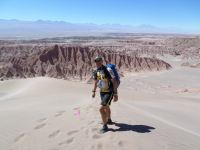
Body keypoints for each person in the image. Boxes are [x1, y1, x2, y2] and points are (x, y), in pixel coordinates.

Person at [92, 56, 118, 133]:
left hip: (109, 92)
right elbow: (96, 81)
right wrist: (93, 91)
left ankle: (105, 126)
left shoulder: (107, 70)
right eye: (96, 61)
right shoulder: (96, 71)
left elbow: (114, 82)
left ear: (101, 61)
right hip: (102, 92)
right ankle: (109, 120)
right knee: (106, 106)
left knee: (101, 109)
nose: (97, 62)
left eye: (98, 61)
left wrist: (115, 94)